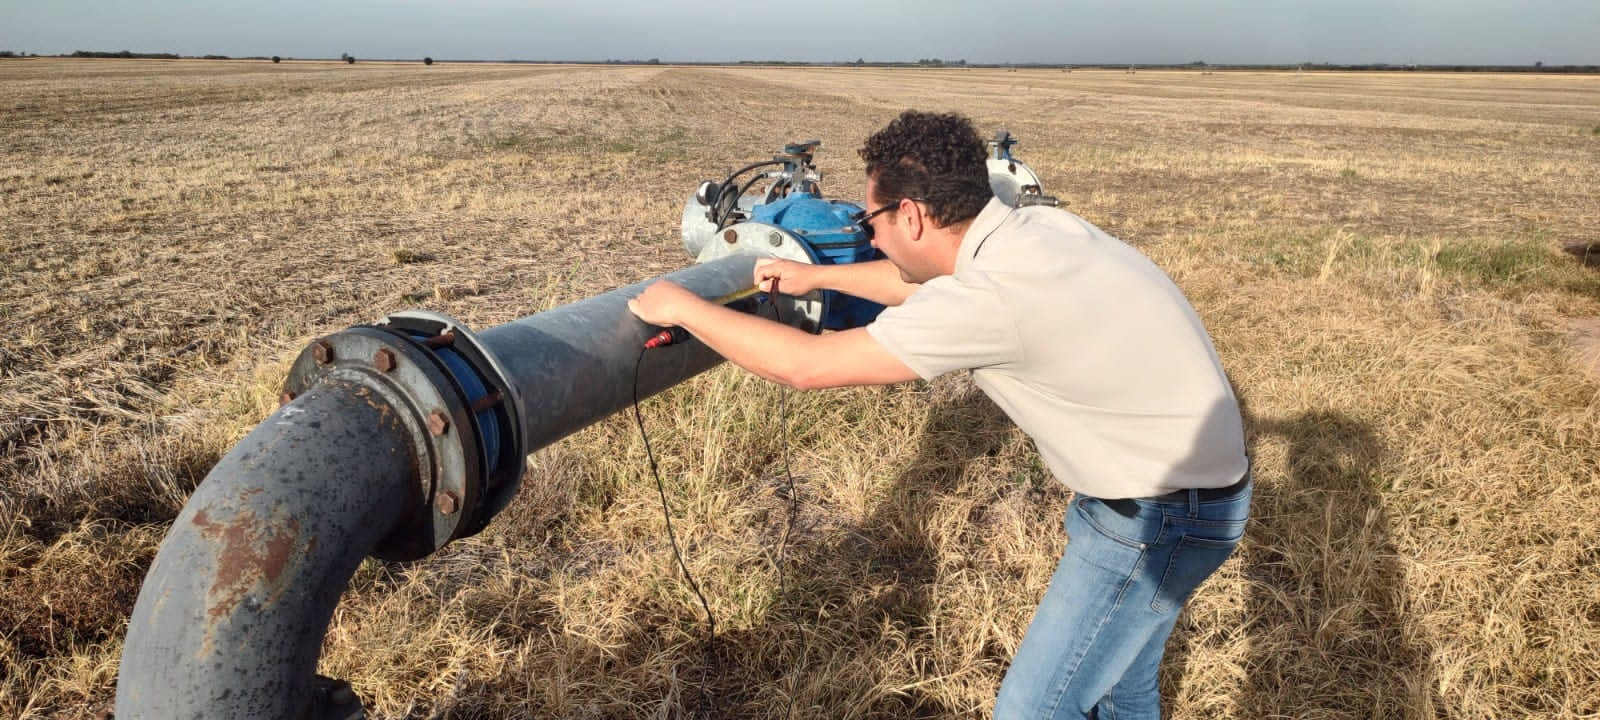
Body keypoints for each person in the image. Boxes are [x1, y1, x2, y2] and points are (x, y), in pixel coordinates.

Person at [628, 110, 1250, 720]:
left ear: (912, 215)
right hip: (1195, 494)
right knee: (1119, 692)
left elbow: (806, 366)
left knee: (1034, 709)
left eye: (871, 219)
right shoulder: (1030, 234)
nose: (866, 234)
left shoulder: (990, 297)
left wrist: (686, 306)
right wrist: (812, 275)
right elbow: (923, 283)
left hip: (1155, 517)